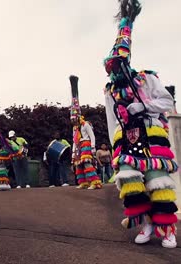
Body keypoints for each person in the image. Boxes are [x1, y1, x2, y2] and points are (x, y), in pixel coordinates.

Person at [103, 0, 178, 248]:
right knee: (130, 180)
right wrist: (115, 139)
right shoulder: (111, 89)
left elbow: (166, 101)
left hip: (152, 132)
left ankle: (166, 228)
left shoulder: (148, 79)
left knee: (157, 178)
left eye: (120, 64)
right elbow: (111, 117)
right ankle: (146, 222)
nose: (116, 68)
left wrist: (143, 107)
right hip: (125, 137)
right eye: (112, 66)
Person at [69, 75, 102, 190]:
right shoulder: (75, 128)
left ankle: (95, 182)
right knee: (78, 165)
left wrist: (93, 147)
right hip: (78, 146)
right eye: (72, 119)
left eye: (74, 118)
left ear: (78, 116)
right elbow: (74, 140)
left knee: (87, 163)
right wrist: (73, 153)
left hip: (86, 144)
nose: (73, 120)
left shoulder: (85, 124)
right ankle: (84, 182)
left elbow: (92, 136)